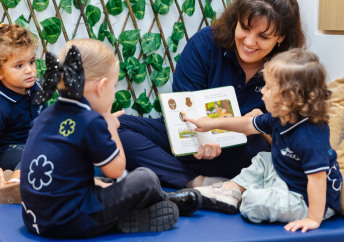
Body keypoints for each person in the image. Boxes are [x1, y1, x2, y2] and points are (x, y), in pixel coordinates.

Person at [19, 39, 201, 239]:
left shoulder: (47, 115)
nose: (113, 95)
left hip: (36, 220)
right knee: (145, 179)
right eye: (113, 87)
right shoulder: (90, 120)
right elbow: (117, 169)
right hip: (72, 221)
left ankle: (131, 213)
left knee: (102, 181)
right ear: (101, 87)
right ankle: (152, 204)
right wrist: (110, 125)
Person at [118, 0, 306, 188]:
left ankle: (180, 175)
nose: (249, 42)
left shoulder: (290, 70)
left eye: (263, 37)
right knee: (114, 127)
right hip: (190, 138)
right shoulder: (205, 43)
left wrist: (259, 128)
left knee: (259, 147)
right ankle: (199, 182)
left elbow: (294, 141)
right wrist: (206, 139)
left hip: (243, 153)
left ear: (281, 37)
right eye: (245, 28)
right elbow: (183, 110)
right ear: (236, 19)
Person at [187, 49, 343, 233]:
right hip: (287, 178)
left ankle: (244, 195)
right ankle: (232, 189)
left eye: (268, 87)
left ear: (288, 97)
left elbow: (317, 180)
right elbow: (246, 124)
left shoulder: (310, 136)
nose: (262, 90)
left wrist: (313, 219)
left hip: (308, 200)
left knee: (252, 203)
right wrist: (211, 123)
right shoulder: (281, 117)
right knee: (264, 159)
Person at [0, 23, 45, 204]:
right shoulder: (2, 103)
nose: (29, 70)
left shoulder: (35, 88)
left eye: (31, 62)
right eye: (19, 65)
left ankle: (21, 172)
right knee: (34, 151)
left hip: (33, 143)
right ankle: (13, 185)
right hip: (7, 149)